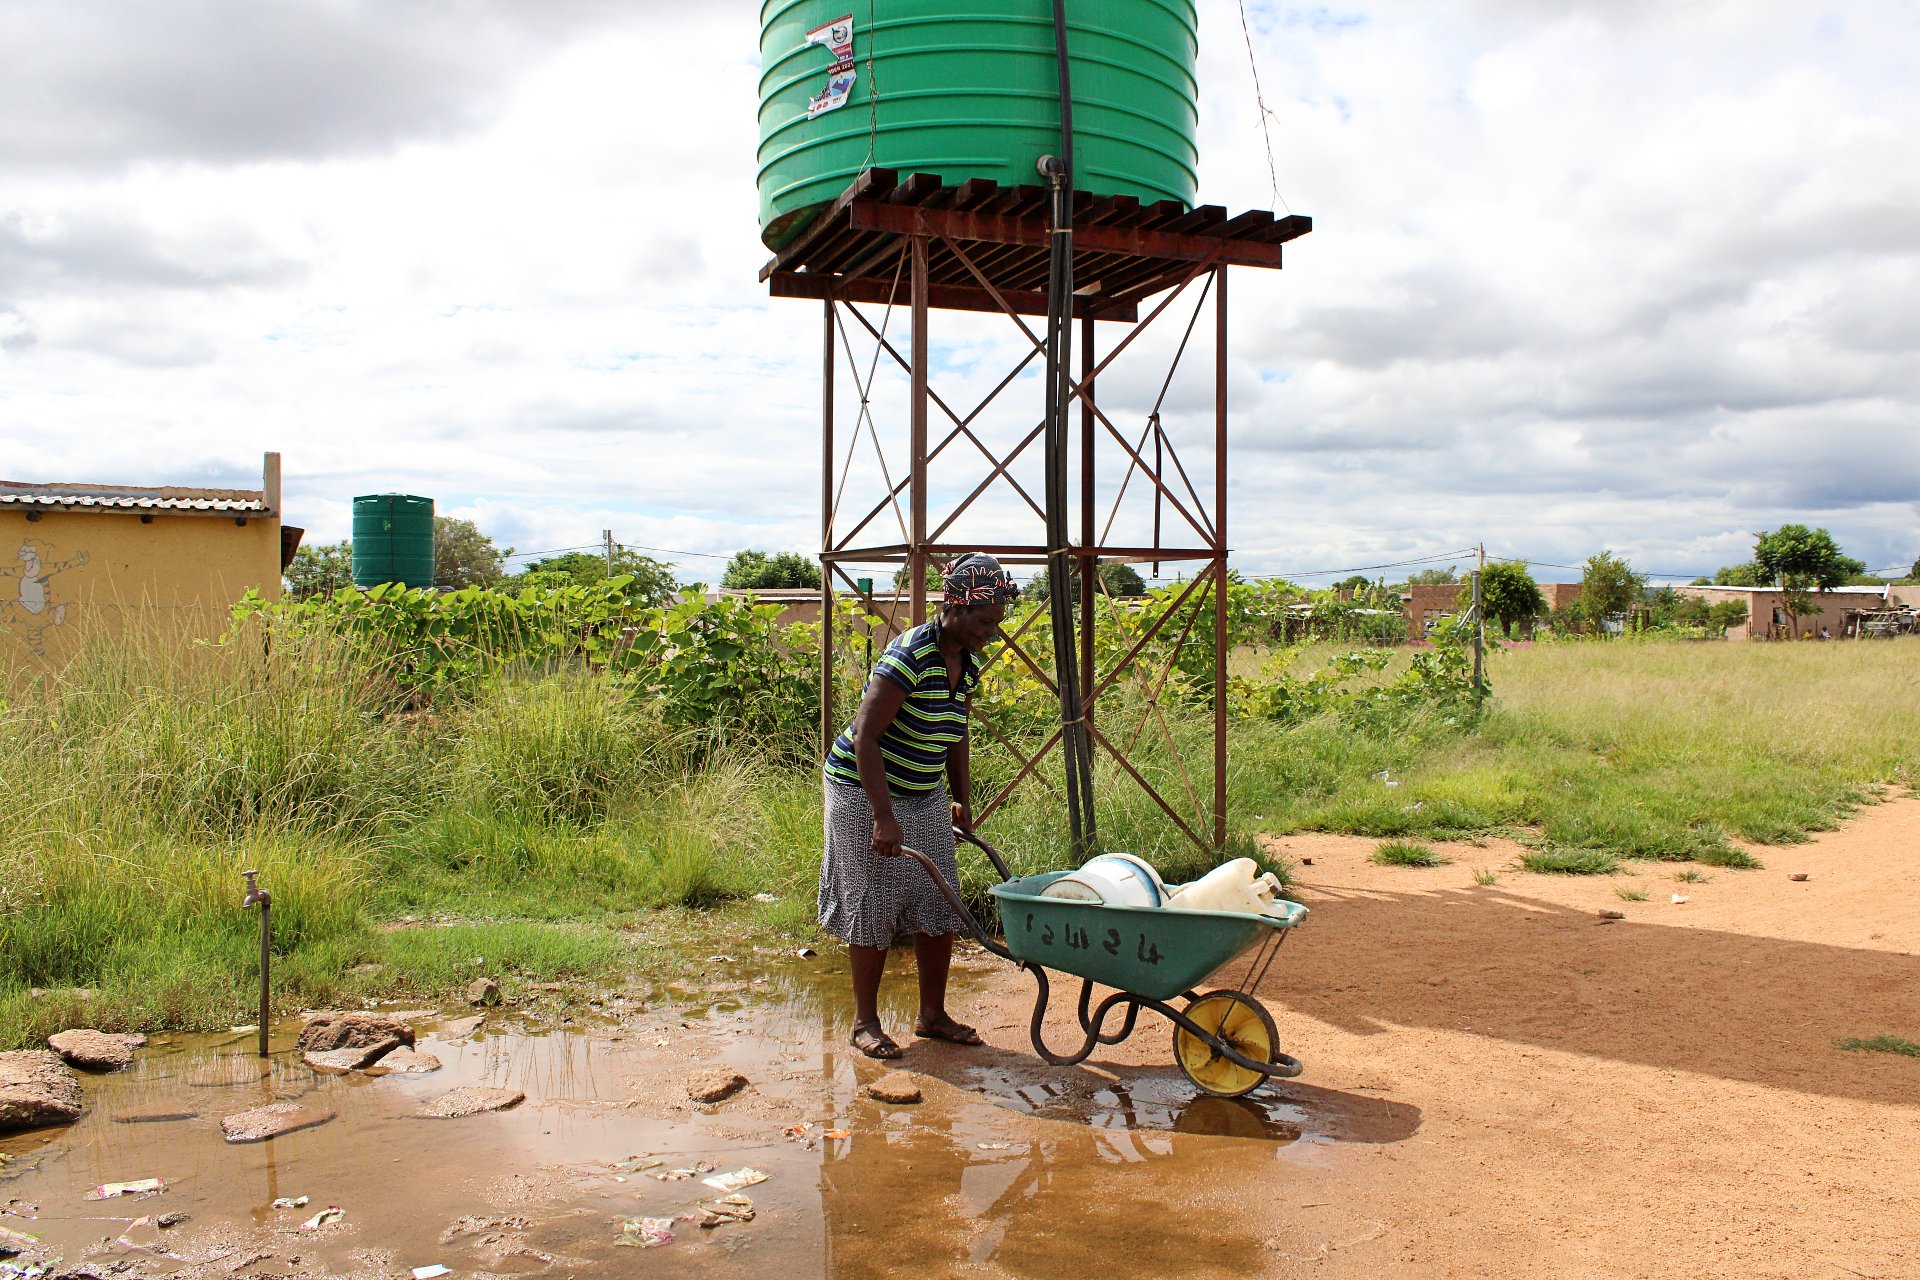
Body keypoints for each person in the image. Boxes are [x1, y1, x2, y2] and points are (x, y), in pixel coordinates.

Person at [819, 553, 1016, 1059]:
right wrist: (882, 816)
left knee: (938, 899)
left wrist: (960, 797)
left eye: (996, 622)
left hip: (923, 788)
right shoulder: (909, 656)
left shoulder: (966, 661)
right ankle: (865, 1022)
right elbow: (865, 738)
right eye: (984, 622)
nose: (990, 633)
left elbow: (956, 732)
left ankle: (932, 1015)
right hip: (863, 788)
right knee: (872, 900)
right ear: (954, 606)